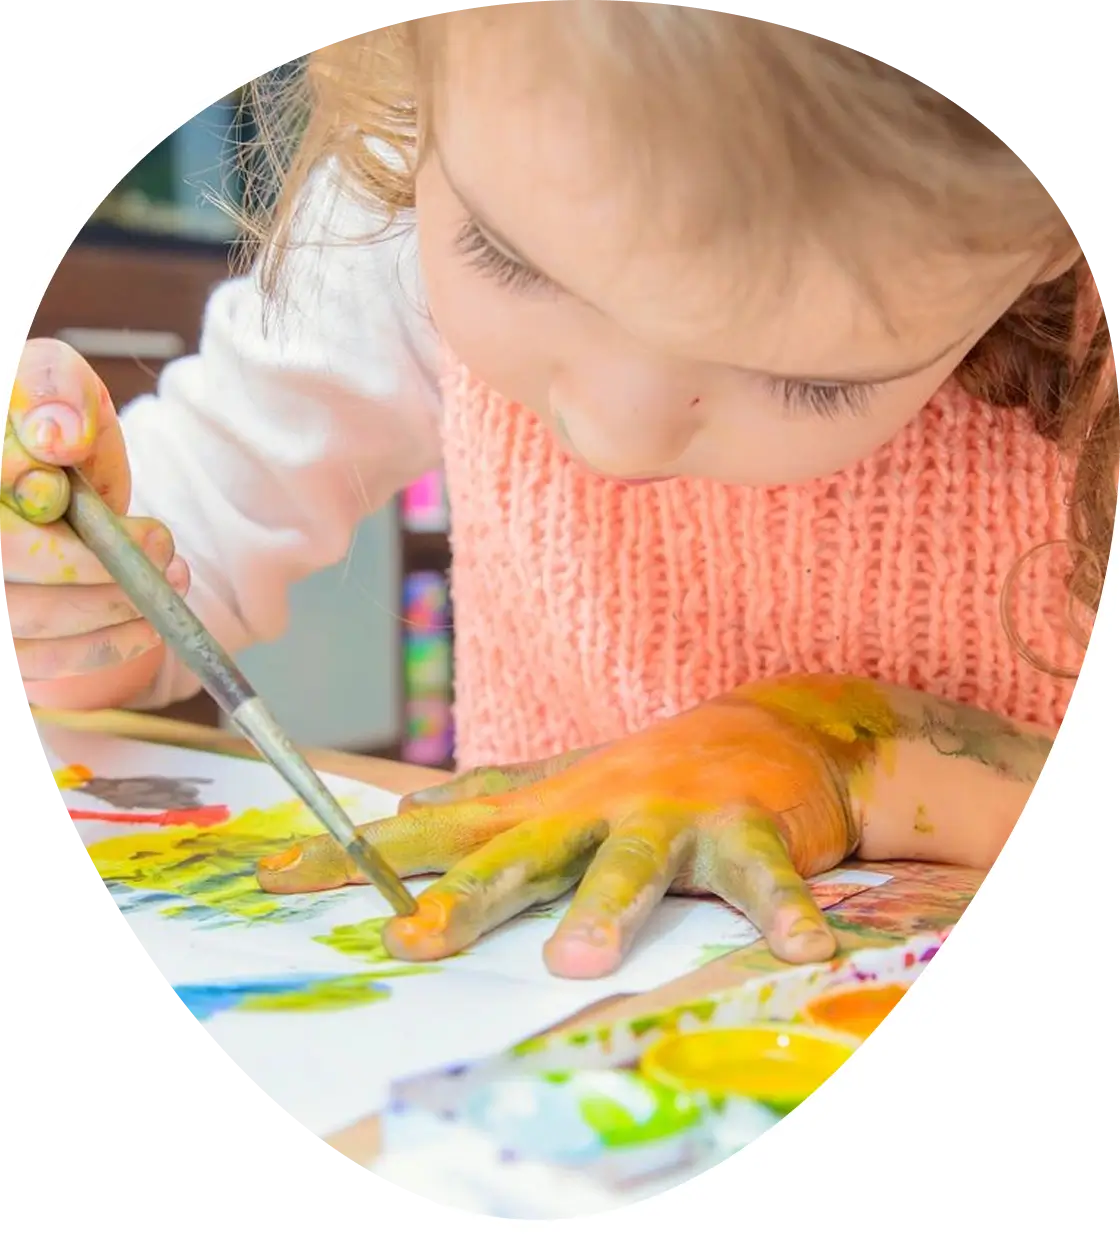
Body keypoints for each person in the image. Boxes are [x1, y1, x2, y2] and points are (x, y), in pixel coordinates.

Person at [4, 8, 1115, 979]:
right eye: (508, 258)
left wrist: (852, 747)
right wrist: (67, 581)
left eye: (812, 380)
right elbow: (170, 572)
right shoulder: (435, 156)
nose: (612, 439)